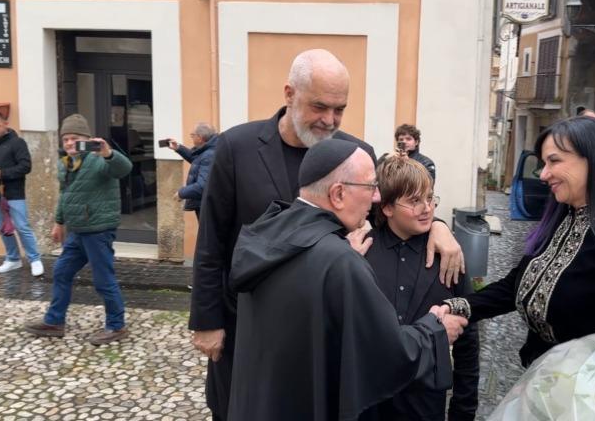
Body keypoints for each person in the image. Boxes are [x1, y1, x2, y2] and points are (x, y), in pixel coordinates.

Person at [189, 48, 464, 420]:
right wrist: (208, 321)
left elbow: (390, 208)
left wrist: (438, 226)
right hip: (252, 326)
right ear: (289, 94)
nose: (329, 120)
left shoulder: (356, 153)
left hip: (322, 337)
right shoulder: (237, 147)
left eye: (340, 109)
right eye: (320, 107)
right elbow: (212, 242)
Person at [227, 138, 468, 420]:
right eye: (370, 187)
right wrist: (436, 329)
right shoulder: (339, 261)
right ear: (338, 194)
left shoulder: (270, 235)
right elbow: (389, 354)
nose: (377, 197)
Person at [441, 116, 595, 367]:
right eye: (543, 163)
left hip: (585, 398)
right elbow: (516, 286)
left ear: (592, 160)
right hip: (538, 381)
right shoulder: (561, 219)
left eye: (554, 161)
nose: (544, 174)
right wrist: (457, 307)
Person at [365, 156, 479, 421]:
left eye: (430, 198)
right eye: (414, 201)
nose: (427, 208)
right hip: (370, 404)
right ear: (388, 207)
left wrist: (463, 412)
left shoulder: (449, 256)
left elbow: (468, 343)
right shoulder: (362, 252)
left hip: (426, 406)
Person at [23, 114, 133, 346]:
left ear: (87, 139)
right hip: (78, 231)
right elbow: (65, 195)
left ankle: (117, 325)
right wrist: (59, 222)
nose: (70, 143)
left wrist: (108, 153)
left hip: (98, 230)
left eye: (75, 138)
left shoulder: (98, 158)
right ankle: (54, 322)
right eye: (66, 139)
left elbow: (124, 168)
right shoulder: (66, 164)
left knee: (103, 280)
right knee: (62, 272)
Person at [0, 111, 44, 276]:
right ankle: (13, 259)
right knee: (3, 228)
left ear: (5, 124)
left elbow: (25, 167)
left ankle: (35, 259)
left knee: (22, 227)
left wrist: (2, 173)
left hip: (14, 193)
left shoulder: (17, 143)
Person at [165, 122, 219, 219]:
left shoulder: (209, 155)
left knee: (206, 233)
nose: (191, 137)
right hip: (207, 202)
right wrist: (178, 148)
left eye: (192, 135)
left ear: (200, 137)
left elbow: (203, 186)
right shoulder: (209, 149)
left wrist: (182, 193)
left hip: (206, 204)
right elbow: (197, 160)